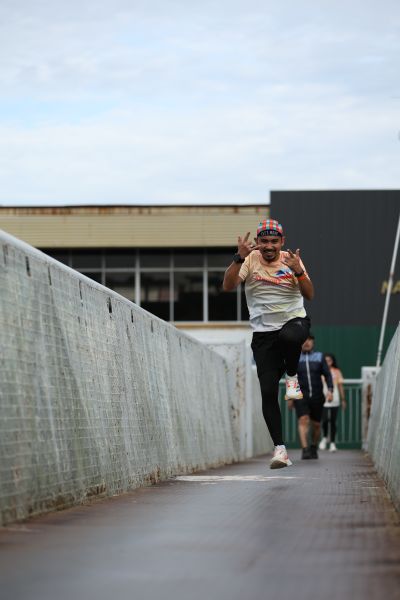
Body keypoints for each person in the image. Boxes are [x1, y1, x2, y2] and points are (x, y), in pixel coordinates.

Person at [223, 218, 314, 469]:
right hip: (263, 334)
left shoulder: (291, 260)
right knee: (268, 391)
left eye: (274, 241)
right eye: (264, 241)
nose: (269, 246)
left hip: (294, 322)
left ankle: (292, 377)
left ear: (282, 242)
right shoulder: (250, 260)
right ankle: (280, 450)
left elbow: (309, 294)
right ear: (258, 242)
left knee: (289, 336)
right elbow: (228, 286)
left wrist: (298, 271)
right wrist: (238, 258)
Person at [289, 335, 333, 460]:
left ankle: (313, 446)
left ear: (313, 342)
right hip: (300, 395)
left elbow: (328, 375)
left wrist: (330, 390)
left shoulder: (319, 357)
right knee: (303, 419)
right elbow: (291, 376)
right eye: (304, 340)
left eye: (309, 340)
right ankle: (305, 450)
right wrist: (291, 397)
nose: (306, 342)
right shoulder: (295, 357)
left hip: (317, 395)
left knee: (317, 424)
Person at [319, 354, 346, 452]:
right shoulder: (320, 371)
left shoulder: (337, 371)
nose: (327, 362)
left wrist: (343, 399)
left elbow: (340, 386)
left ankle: (332, 443)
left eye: (329, 360)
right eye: (326, 360)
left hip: (335, 398)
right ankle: (325, 438)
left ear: (332, 361)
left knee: (333, 421)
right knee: (325, 419)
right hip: (323, 398)